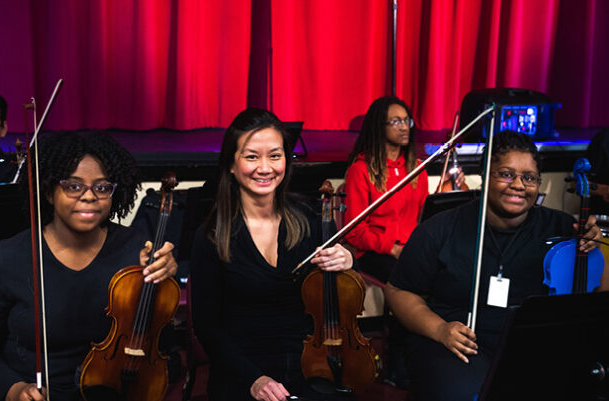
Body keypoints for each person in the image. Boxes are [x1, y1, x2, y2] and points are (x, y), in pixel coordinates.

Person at [384, 130, 606, 401]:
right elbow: (399, 291)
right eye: (506, 174)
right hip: (458, 343)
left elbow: (597, 296)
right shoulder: (440, 229)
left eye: (529, 178)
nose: (519, 185)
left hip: (531, 347)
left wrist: (595, 248)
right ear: (485, 175)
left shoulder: (563, 229)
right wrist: (440, 329)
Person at [0, 132, 178, 401]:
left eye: (102, 187)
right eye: (73, 186)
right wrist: (13, 390)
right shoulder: (7, 259)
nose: (89, 197)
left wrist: (163, 278)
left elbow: (159, 342)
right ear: (49, 192)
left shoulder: (138, 251)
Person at [190, 108, 355, 401]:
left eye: (275, 156)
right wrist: (254, 379)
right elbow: (207, 326)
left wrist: (347, 260)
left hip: (310, 366)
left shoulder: (309, 220)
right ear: (231, 164)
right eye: (252, 156)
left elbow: (333, 295)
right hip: (243, 373)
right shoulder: (211, 237)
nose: (265, 168)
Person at [343, 96, 464, 283]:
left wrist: (443, 191)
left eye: (407, 120)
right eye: (396, 121)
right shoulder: (360, 170)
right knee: (412, 280)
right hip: (375, 252)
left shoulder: (417, 168)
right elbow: (354, 231)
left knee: (453, 271)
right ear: (379, 127)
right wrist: (392, 248)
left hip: (411, 248)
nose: (405, 126)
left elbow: (424, 219)